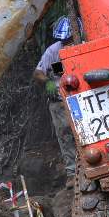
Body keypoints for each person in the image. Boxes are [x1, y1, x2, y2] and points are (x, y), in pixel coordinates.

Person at [33, 16, 77, 176]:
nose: (67, 44)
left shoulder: (83, 43)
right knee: (65, 134)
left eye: (70, 40)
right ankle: (72, 172)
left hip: (82, 97)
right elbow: (38, 73)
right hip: (60, 100)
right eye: (65, 41)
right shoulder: (53, 51)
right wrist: (48, 83)